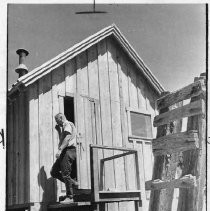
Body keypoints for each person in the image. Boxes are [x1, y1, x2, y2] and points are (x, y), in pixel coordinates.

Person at [50, 113, 78, 204]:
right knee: (54, 171)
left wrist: (60, 150)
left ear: (61, 118)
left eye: (57, 121)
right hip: (65, 151)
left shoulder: (67, 124)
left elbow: (67, 137)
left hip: (68, 151)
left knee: (65, 173)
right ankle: (74, 183)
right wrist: (59, 130)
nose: (57, 123)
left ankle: (70, 197)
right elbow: (63, 138)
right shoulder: (63, 127)